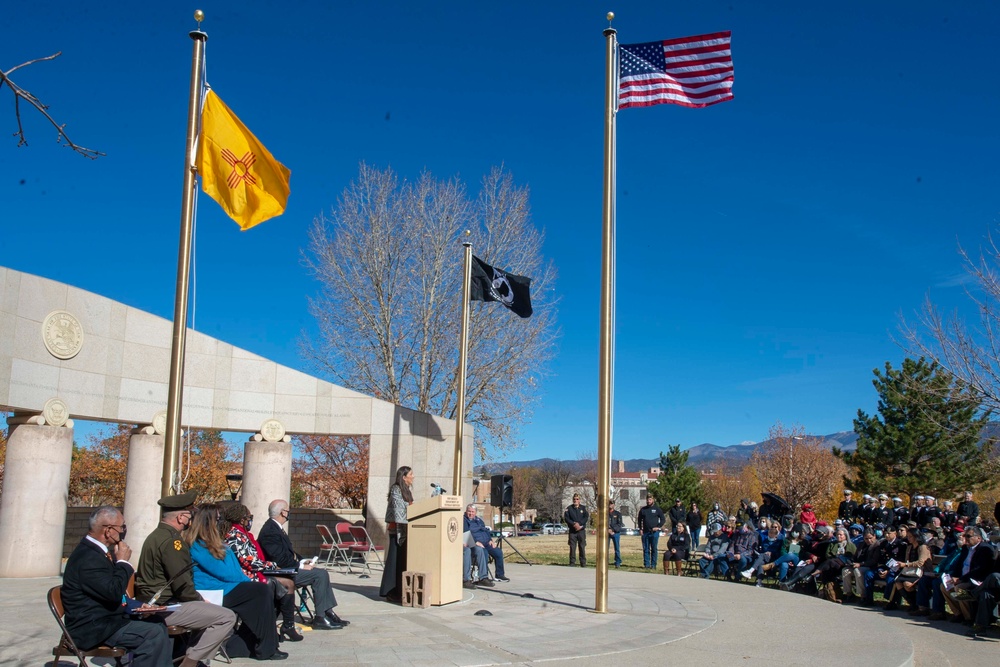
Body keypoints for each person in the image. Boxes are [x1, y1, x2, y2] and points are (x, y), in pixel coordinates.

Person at [135, 492, 237, 667]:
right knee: (226, 617)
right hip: (162, 607)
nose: (192, 518)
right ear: (181, 517)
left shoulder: (157, 535)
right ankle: (189, 663)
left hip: (155, 603)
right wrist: (200, 600)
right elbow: (182, 583)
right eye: (191, 514)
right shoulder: (172, 542)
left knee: (209, 614)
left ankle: (186, 656)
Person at [62, 506, 171, 667]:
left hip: (107, 619)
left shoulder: (98, 552)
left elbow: (112, 593)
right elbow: (113, 592)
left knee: (157, 622)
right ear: (108, 530)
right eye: (122, 527)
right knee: (152, 634)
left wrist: (137, 606)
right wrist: (123, 563)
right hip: (91, 627)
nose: (123, 531)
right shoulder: (88, 558)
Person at [187, 504, 287, 661]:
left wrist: (247, 581)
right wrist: (246, 582)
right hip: (213, 591)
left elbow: (233, 571)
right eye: (218, 519)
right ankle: (266, 648)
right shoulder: (198, 545)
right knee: (260, 591)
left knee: (264, 591)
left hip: (228, 586)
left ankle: (247, 645)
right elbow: (225, 573)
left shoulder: (216, 542)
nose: (221, 522)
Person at [257, 499, 348, 629]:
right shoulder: (270, 531)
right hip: (283, 573)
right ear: (283, 512)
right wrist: (300, 566)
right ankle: (320, 617)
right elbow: (279, 559)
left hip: (288, 569)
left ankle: (327, 612)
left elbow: (288, 552)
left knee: (321, 573)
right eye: (288, 511)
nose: (289, 513)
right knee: (319, 575)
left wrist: (302, 560)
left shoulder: (276, 527)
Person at [221, 503, 301, 642]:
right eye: (248, 517)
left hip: (256, 570)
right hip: (246, 575)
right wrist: (273, 566)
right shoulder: (234, 535)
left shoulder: (244, 534)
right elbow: (249, 561)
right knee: (284, 584)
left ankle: (287, 625)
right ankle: (272, 628)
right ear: (241, 519)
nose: (250, 520)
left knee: (286, 583)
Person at [378, 466, 413, 602]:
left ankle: (400, 590)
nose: (413, 476)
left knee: (402, 561)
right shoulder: (395, 489)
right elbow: (399, 508)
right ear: (404, 477)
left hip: (407, 530)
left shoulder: (407, 490)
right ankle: (390, 591)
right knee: (394, 561)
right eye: (411, 474)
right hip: (397, 530)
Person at [464, 504, 508, 582]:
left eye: (472, 512)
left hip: (486, 543)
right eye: (469, 511)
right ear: (466, 511)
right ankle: (484, 577)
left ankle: (499, 575)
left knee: (498, 552)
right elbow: (466, 534)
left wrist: (490, 540)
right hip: (476, 544)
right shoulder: (464, 520)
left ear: (475, 512)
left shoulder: (479, 520)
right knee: (484, 553)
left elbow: (486, 531)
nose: (471, 513)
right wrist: (475, 542)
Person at [637, 495, 665, 570]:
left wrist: (658, 526)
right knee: (646, 549)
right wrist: (640, 528)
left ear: (653, 500)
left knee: (654, 548)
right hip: (645, 532)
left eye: (650, 499)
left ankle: (653, 564)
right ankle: (647, 564)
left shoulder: (657, 509)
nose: (648, 501)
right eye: (647, 499)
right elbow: (639, 520)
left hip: (654, 533)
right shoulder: (643, 509)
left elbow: (663, 519)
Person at [564, 493, 590, 567]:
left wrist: (580, 524)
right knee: (572, 547)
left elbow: (586, 517)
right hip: (573, 531)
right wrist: (574, 524)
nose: (575, 500)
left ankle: (583, 562)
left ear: (579, 500)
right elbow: (566, 518)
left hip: (581, 531)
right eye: (574, 499)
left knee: (582, 546)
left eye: (577, 499)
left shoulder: (583, 508)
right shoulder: (569, 509)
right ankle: (572, 562)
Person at [607, 500, 624, 569]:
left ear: (614, 505)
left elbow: (620, 524)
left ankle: (617, 562)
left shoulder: (617, 514)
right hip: (607, 533)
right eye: (609, 504)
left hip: (615, 533)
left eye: (611, 504)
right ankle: (605, 561)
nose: (610, 505)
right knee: (605, 548)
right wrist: (607, 530)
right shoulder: (605, 513)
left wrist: (613, 530)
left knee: (617, 548)